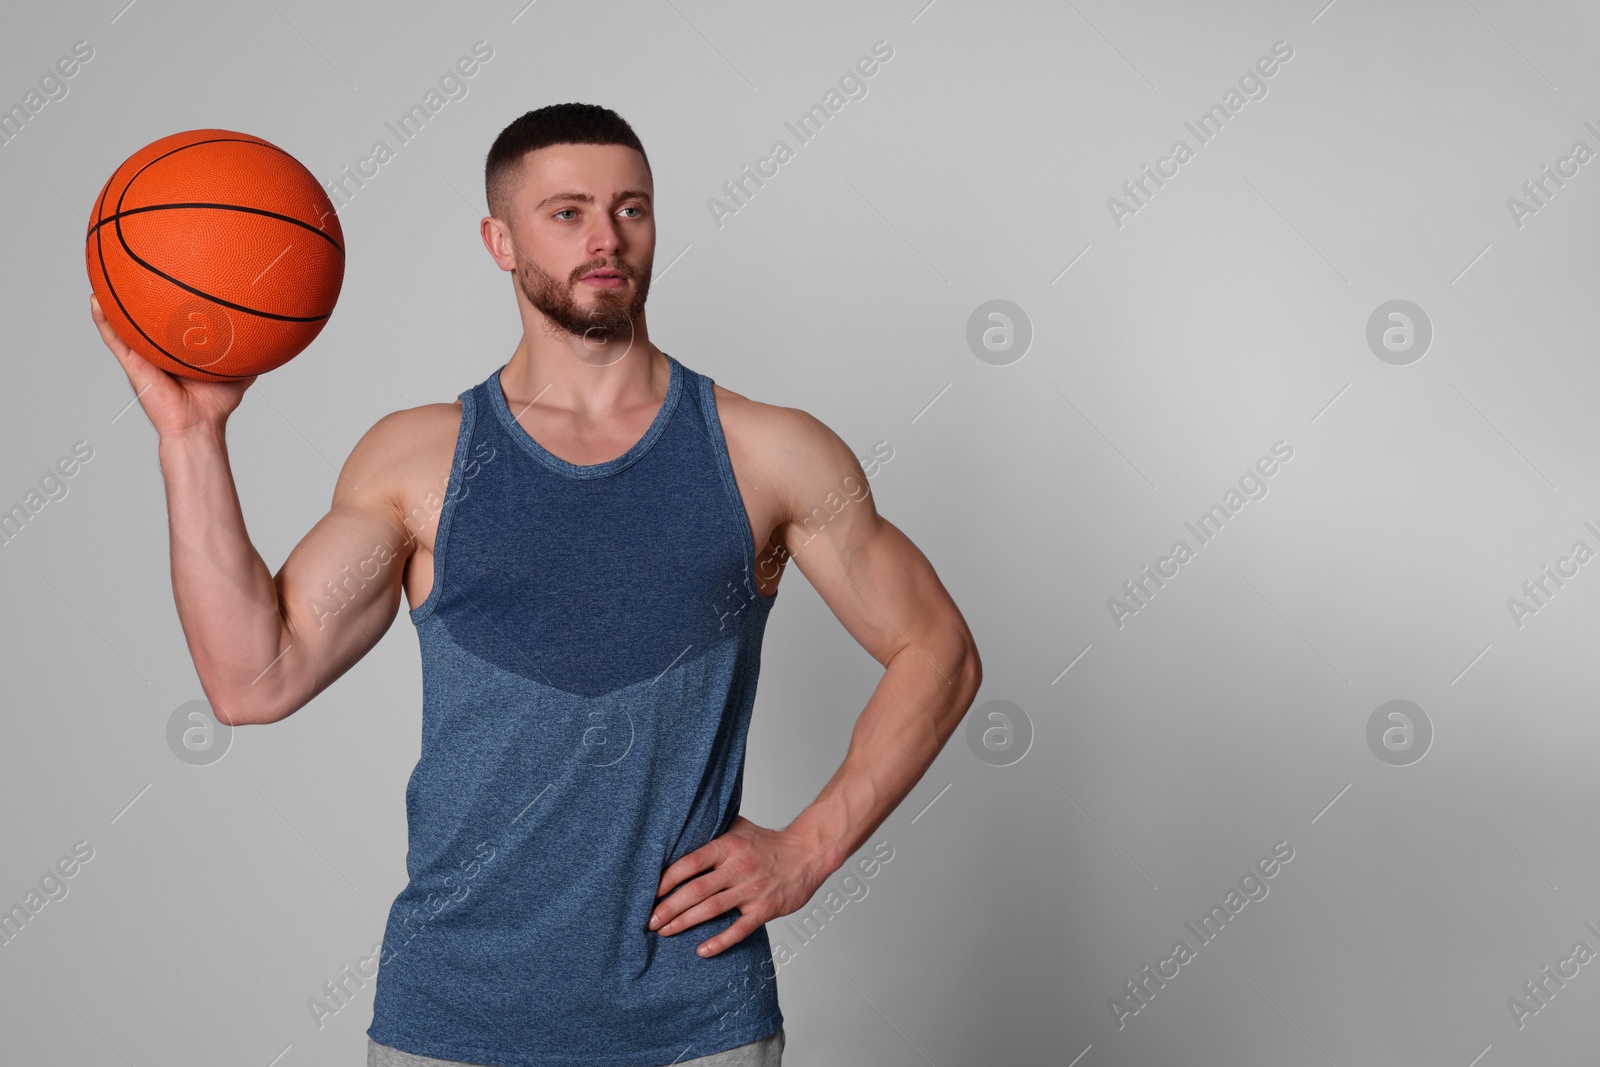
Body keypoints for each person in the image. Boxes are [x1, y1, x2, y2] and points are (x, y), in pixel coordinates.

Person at [89, 102, 982, 1067]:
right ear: (499, 241)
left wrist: (811, 846)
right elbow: (251, 678)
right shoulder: (420, 461)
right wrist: (192, 439)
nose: (606, 237)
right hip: (452, 1020)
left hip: (694, 1024)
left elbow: (938, 647)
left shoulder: (769, 452)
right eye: (567, 213)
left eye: (630, 208)